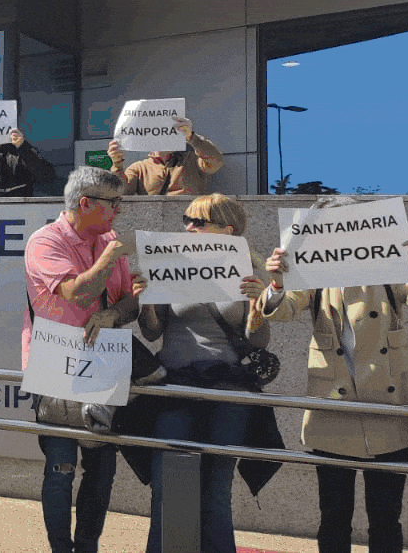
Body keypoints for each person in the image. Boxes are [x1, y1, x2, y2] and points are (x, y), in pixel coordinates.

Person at [255, 196, 408, 553]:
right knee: (333, 514)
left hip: (388, 409)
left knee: (386, 515)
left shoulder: (389, 267)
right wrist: (277, 283)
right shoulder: (312, 271)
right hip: (334, 408)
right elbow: (280, 312)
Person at [135, 194, 280, 553]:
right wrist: (146, 299)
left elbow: (257, 339)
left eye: (197, 222)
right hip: (177, 388)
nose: (187, 227)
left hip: (228, 393)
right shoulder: (170, 262)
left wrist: (257, 306)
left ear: (226, 230)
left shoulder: (246, 272)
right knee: (175, 489)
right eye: (186, 220)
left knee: (216, 491)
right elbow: (152, 331)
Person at [23, 166, 145, 553]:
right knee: (61, 470)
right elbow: (77, 292)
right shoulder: (46, 241)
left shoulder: (109, 239)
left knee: (101, 471)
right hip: (55, 364)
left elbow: (131, 303)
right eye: (113, 203)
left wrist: (114, 314)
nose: (119, 211)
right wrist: (110, 255)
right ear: (86, 203)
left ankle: (87, 547)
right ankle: (61, 548)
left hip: (103, 364)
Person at [106, 115, 223, 195]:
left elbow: (216, 162)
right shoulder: (139, 168)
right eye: (157, 133)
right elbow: (119, 192)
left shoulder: (192, 159)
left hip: (191, 221)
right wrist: (117, 165)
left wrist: (192, 137)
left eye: (167, 132)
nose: (162, 137)